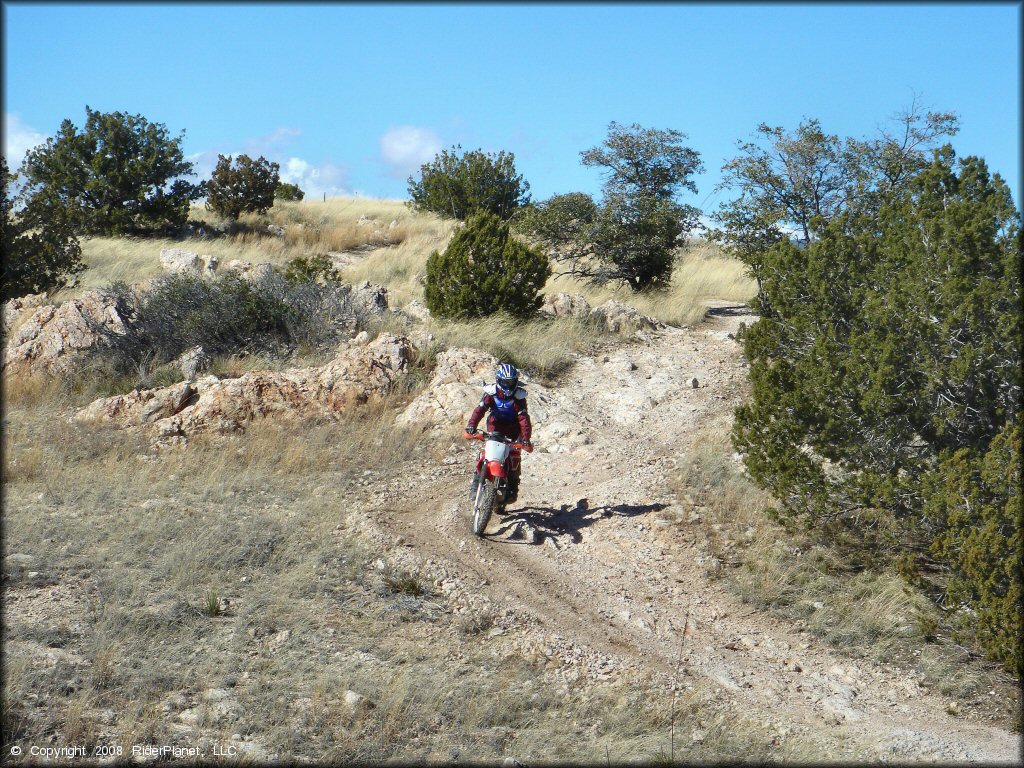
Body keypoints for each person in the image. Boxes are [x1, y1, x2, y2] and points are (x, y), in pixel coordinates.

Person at [463, 362, 533, 504]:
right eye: (505, 383)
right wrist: (471, 425)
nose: (508, 386)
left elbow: (524, 419)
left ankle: (513, 487)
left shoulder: (519, 398)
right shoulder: (491, 393)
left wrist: (525, 439)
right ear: (499, 381)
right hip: (495, 427)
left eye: (511, 382)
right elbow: (480, 410)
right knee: (485, 454)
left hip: (513, 431)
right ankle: (475, 486)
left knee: (514, 456)